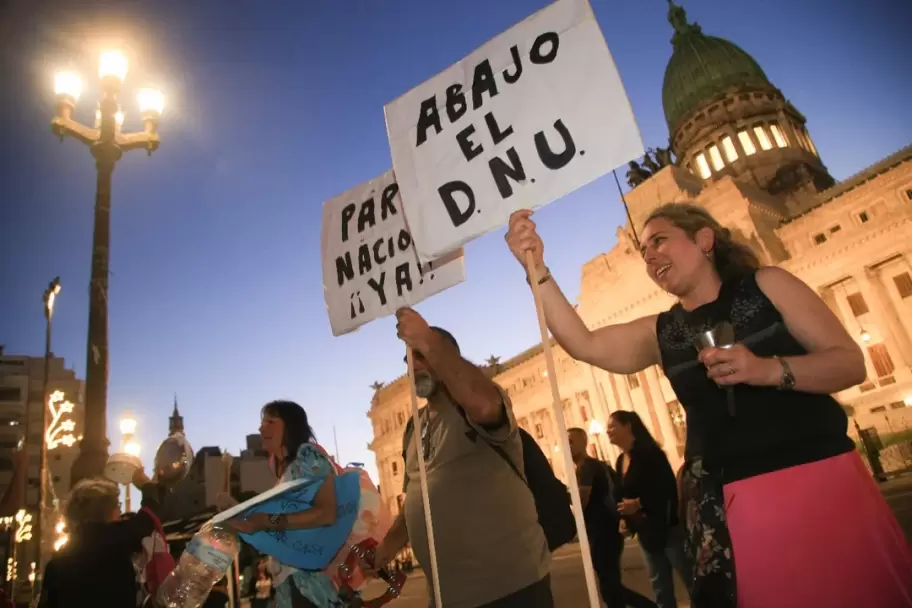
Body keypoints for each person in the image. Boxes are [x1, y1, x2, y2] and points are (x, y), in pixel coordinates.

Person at [505, 203, 912, 607]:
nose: (649, 255)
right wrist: (536, 269)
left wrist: (766, 370)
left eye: (659, 240)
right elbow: (585, 344)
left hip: (821, 484)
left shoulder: (767, 285)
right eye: (643, 251)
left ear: (703, 240)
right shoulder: (661, 331)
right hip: (735, 508)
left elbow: (849, 363)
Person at [372, 308, 552, 607]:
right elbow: (416, 498)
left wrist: (427, 338)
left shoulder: (479, 401)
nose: (414, 367)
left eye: (423, 355)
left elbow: (483, 405)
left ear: (448, 357)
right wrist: (384, 551)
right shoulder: (412, 428)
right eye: (409, 361)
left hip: (511, 587)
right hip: (447, 596)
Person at [222, 401, 344, 608]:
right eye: (261, 422)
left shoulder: (308, 456)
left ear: (291, 426)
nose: (261, 428)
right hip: (288, 584)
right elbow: (280, 526)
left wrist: (267, 520)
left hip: (311, 584)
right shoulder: (285, 476)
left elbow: (327, 512)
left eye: (270, 421)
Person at [39, 468, 167, 607]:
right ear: (108, 511)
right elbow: (148, 517)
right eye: (118, 505)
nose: (120, 511)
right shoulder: (114, 539)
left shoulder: (57, 562)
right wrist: (146, 485)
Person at [608, 411, 691, 608]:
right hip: (646, 532)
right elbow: (622, 496)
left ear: (628, 426)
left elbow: (667, 489)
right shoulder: (621, 461)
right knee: (660, 588)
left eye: (613, 426)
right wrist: (625, 521)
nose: (607, 431)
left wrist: (639, 504)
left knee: (692, 580)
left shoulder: (650, 454)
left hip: (668, 528)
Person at [567, 427, 656, 608]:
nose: (567, 447)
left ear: (583, 443)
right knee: (610, 584)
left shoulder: (586, 468)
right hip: (609, 528)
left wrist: (560, 494)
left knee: (610, 587)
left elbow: (581, 501)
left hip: (601, 531)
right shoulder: (599, 465)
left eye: (571, 442)